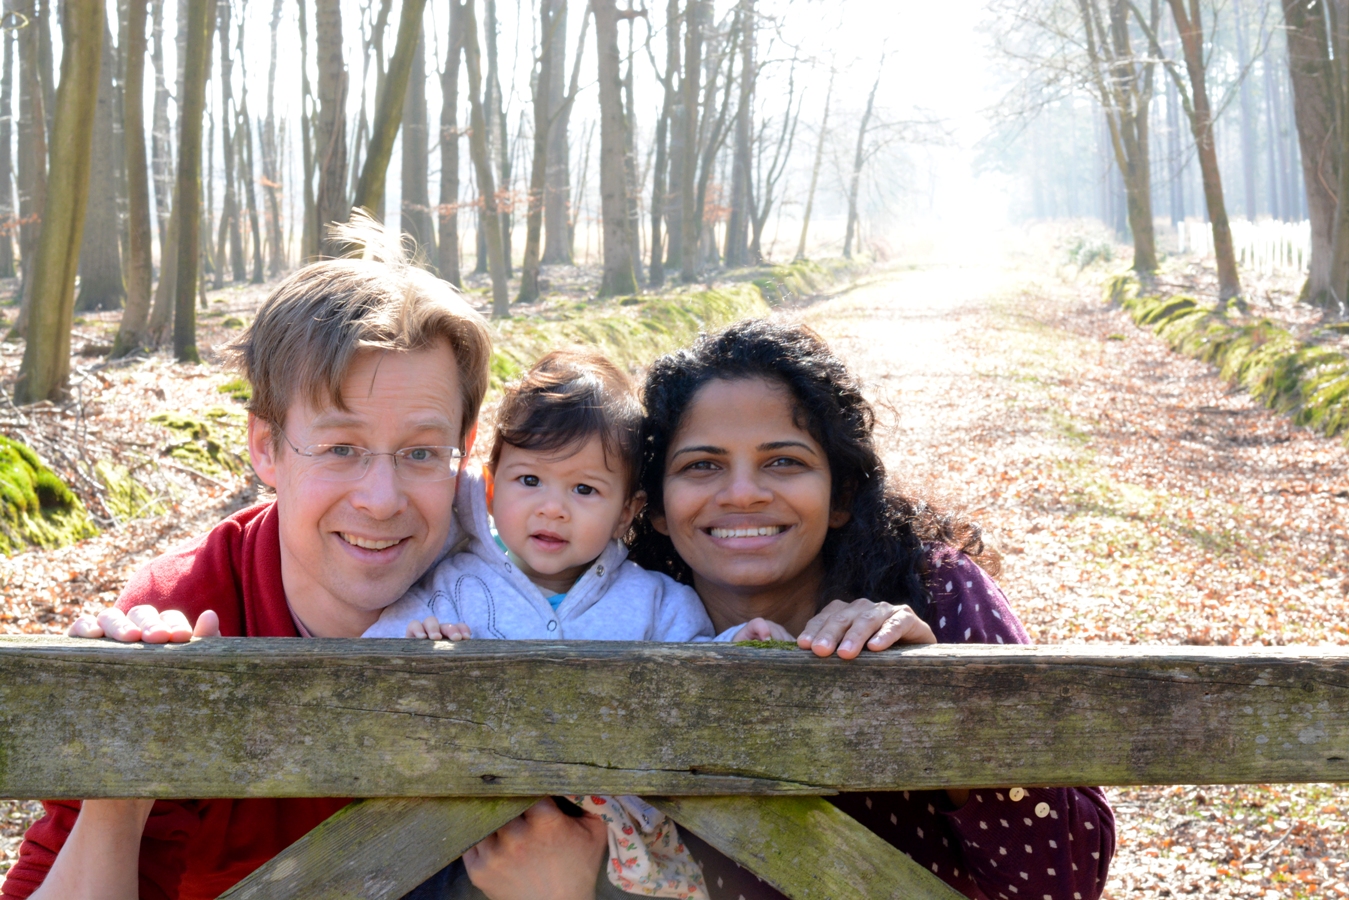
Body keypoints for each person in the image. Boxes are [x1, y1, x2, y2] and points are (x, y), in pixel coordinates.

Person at [458, 319, 1115, 900]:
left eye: (783, 461)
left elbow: (1065, 882)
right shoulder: (626, 617)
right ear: (652, 505)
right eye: (702, 465)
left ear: (841, 493)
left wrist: (940, 703)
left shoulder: (935, 593)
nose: (743, 493)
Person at [1, 216, 496, 900]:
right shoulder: (184, 606)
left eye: (420, 452)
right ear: (266, 447)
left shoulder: (529, 586)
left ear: (464, 450)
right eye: (340, 448)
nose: (382, 500)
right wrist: (120, 791)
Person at [366, 348, 743, 899]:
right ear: (490, 487)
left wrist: (744, 646)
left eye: (584, 489)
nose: (553, 508)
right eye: (529, 480)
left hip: (615, 855)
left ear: (626, 511)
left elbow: (707, 687)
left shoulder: (657, 601)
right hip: (464, 838)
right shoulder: (452, 584)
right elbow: (370, 662)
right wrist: (414, 642)